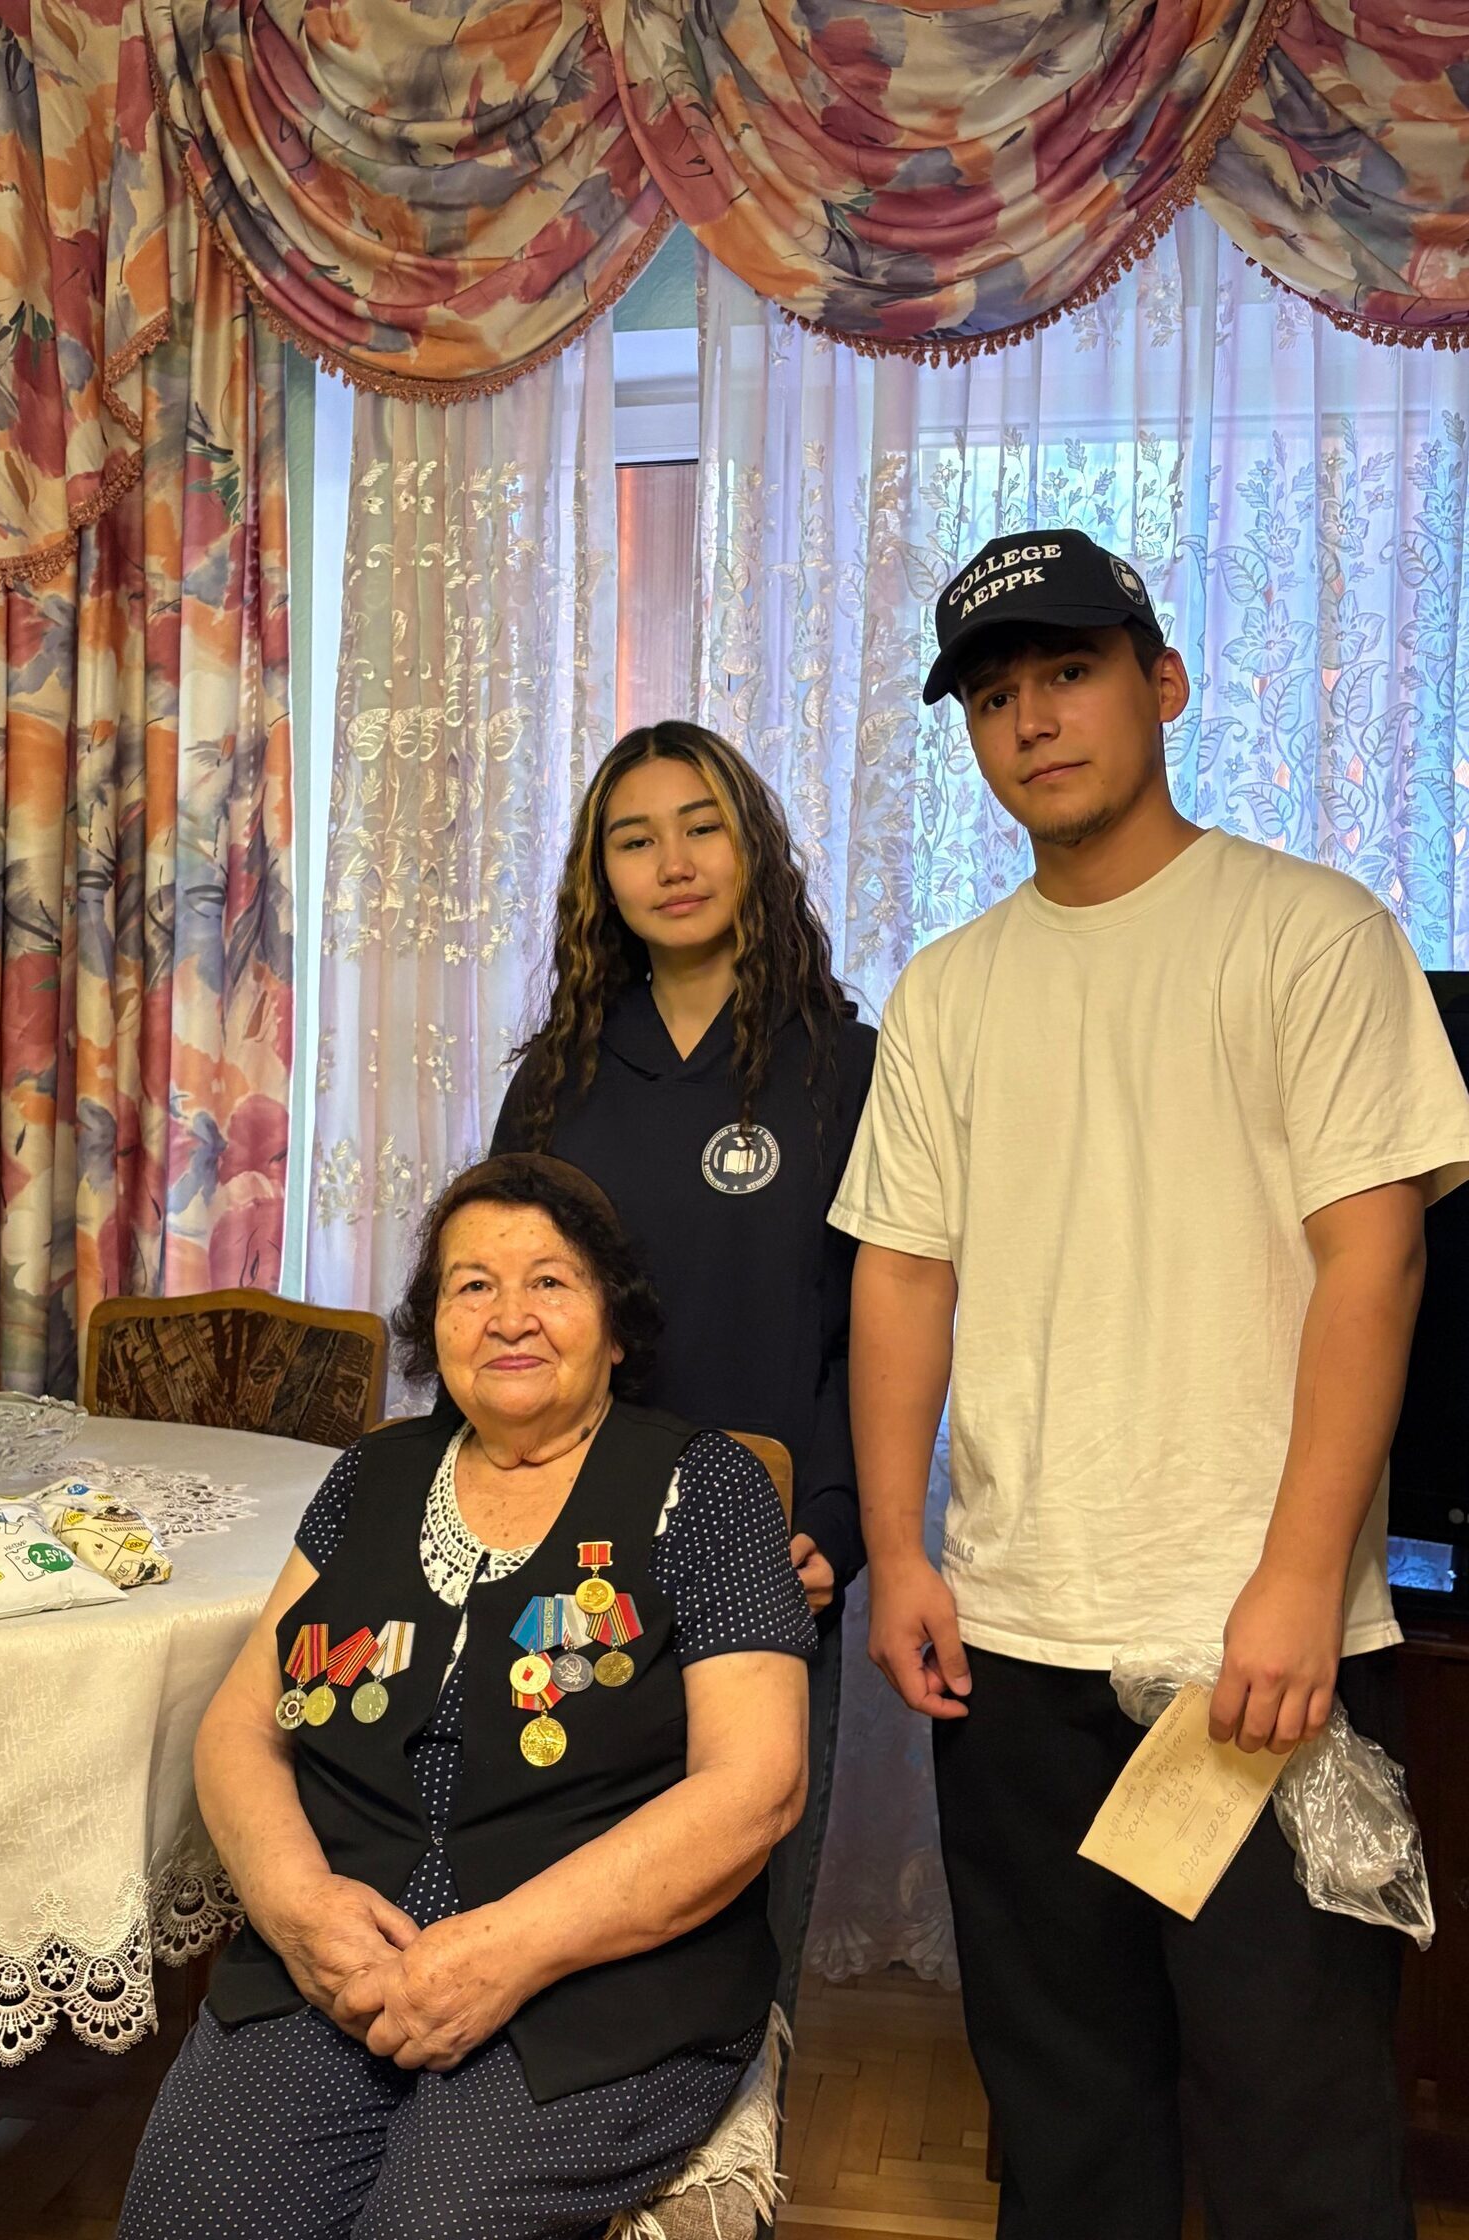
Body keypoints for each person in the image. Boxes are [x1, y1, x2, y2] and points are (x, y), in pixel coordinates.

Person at [833, 529, 1469, 2240]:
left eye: (1069, 672)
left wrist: (1296, 1580)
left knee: (1295, 2131)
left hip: (1254, 1649)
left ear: (1161, 682)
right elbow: (904, 1275)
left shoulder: (1311, 933)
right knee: (1065, 2120)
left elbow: (1376, 1263)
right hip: (1013, 1638)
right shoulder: (950, 988)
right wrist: (899, 1550)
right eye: (994, 697)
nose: (1033, 720)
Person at [119, 1153, 814, 2240]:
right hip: (342, 1961)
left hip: (599, 1982)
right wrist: (299, 1907)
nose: (509, 1315)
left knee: (429, 2225)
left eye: (551, 1281)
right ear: (434, 1323)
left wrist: (506, 1951)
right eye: (472, 1284)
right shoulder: (371, 1475)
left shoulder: (706, 1486)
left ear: (616, 1325)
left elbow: (757, 1786)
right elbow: (240, 1726)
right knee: (194, 2217)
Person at [490, 720, 875, 2014]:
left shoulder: (846, 1069)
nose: (674, 862)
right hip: (576, 1549)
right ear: (599, 877)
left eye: (702, 825)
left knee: (743, 1936)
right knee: (566, 1914)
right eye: (635, 838)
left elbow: (872, 1332)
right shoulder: (556, 1082)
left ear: (753, 845)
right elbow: (504, 1323)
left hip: (774, 1546)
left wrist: (836, 1522)